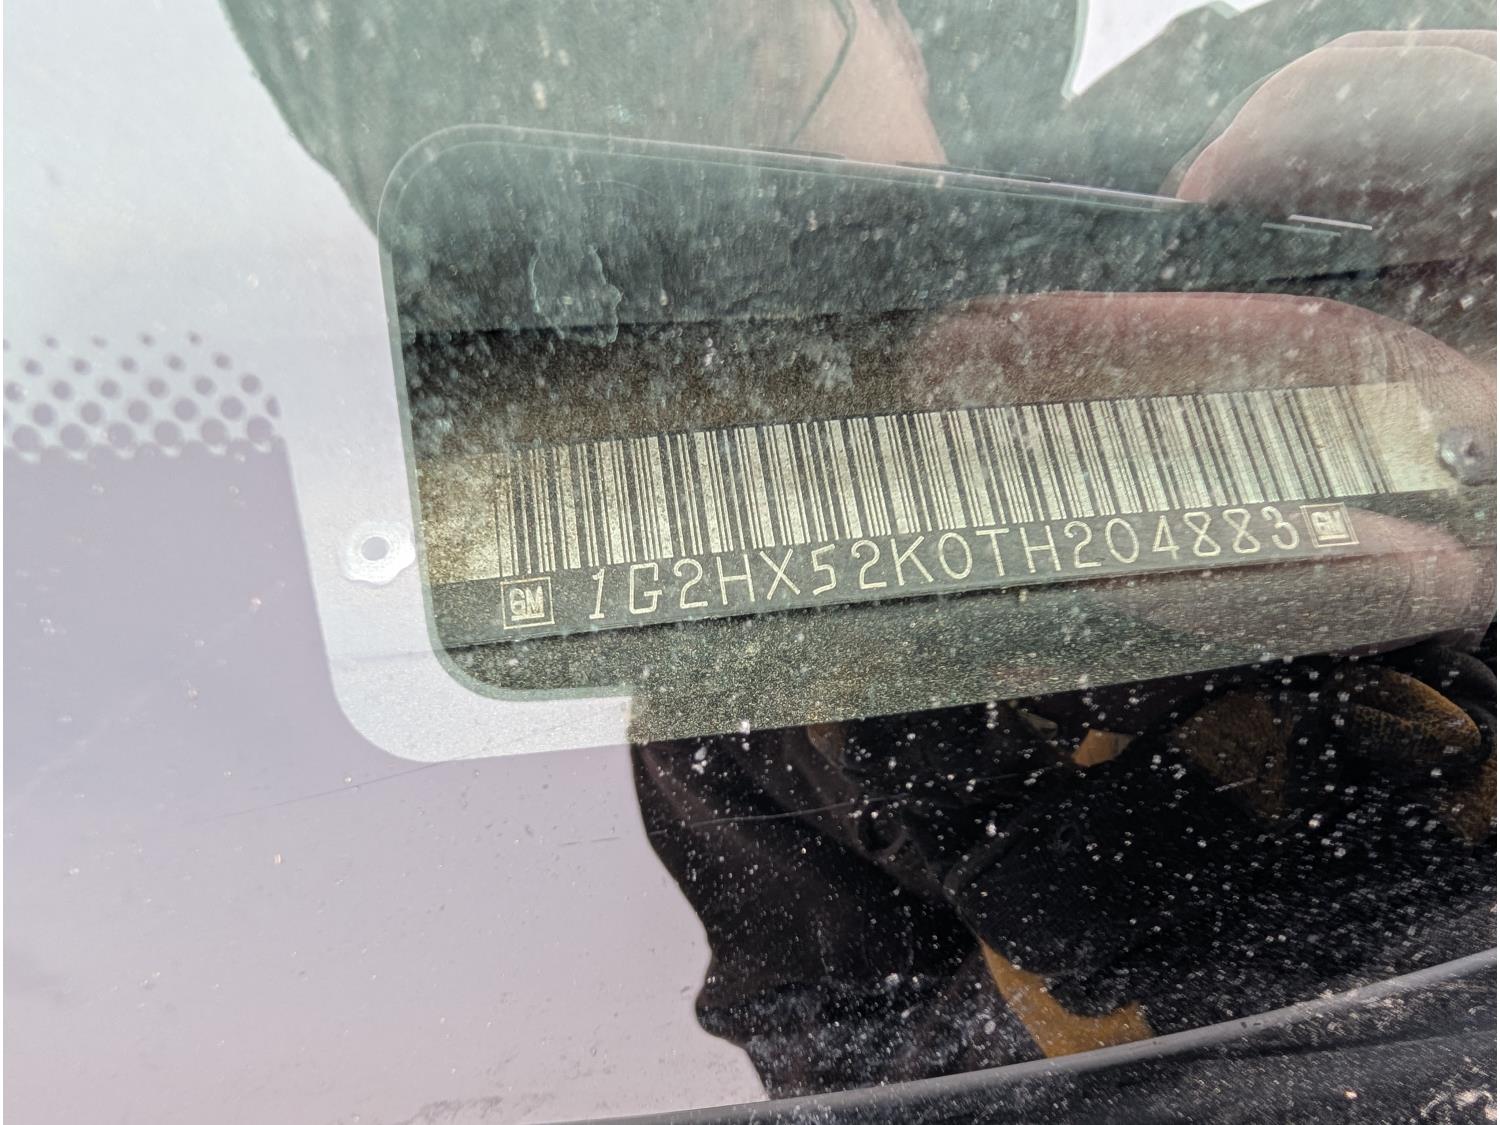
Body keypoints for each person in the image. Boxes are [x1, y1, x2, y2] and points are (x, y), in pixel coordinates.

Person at [224, 0, 1496, 1104]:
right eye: (599, 90)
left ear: (902, 34)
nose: (729, 166)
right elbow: (842, 1058)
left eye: (759, 60)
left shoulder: (1308, 128)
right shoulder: (719, 688)